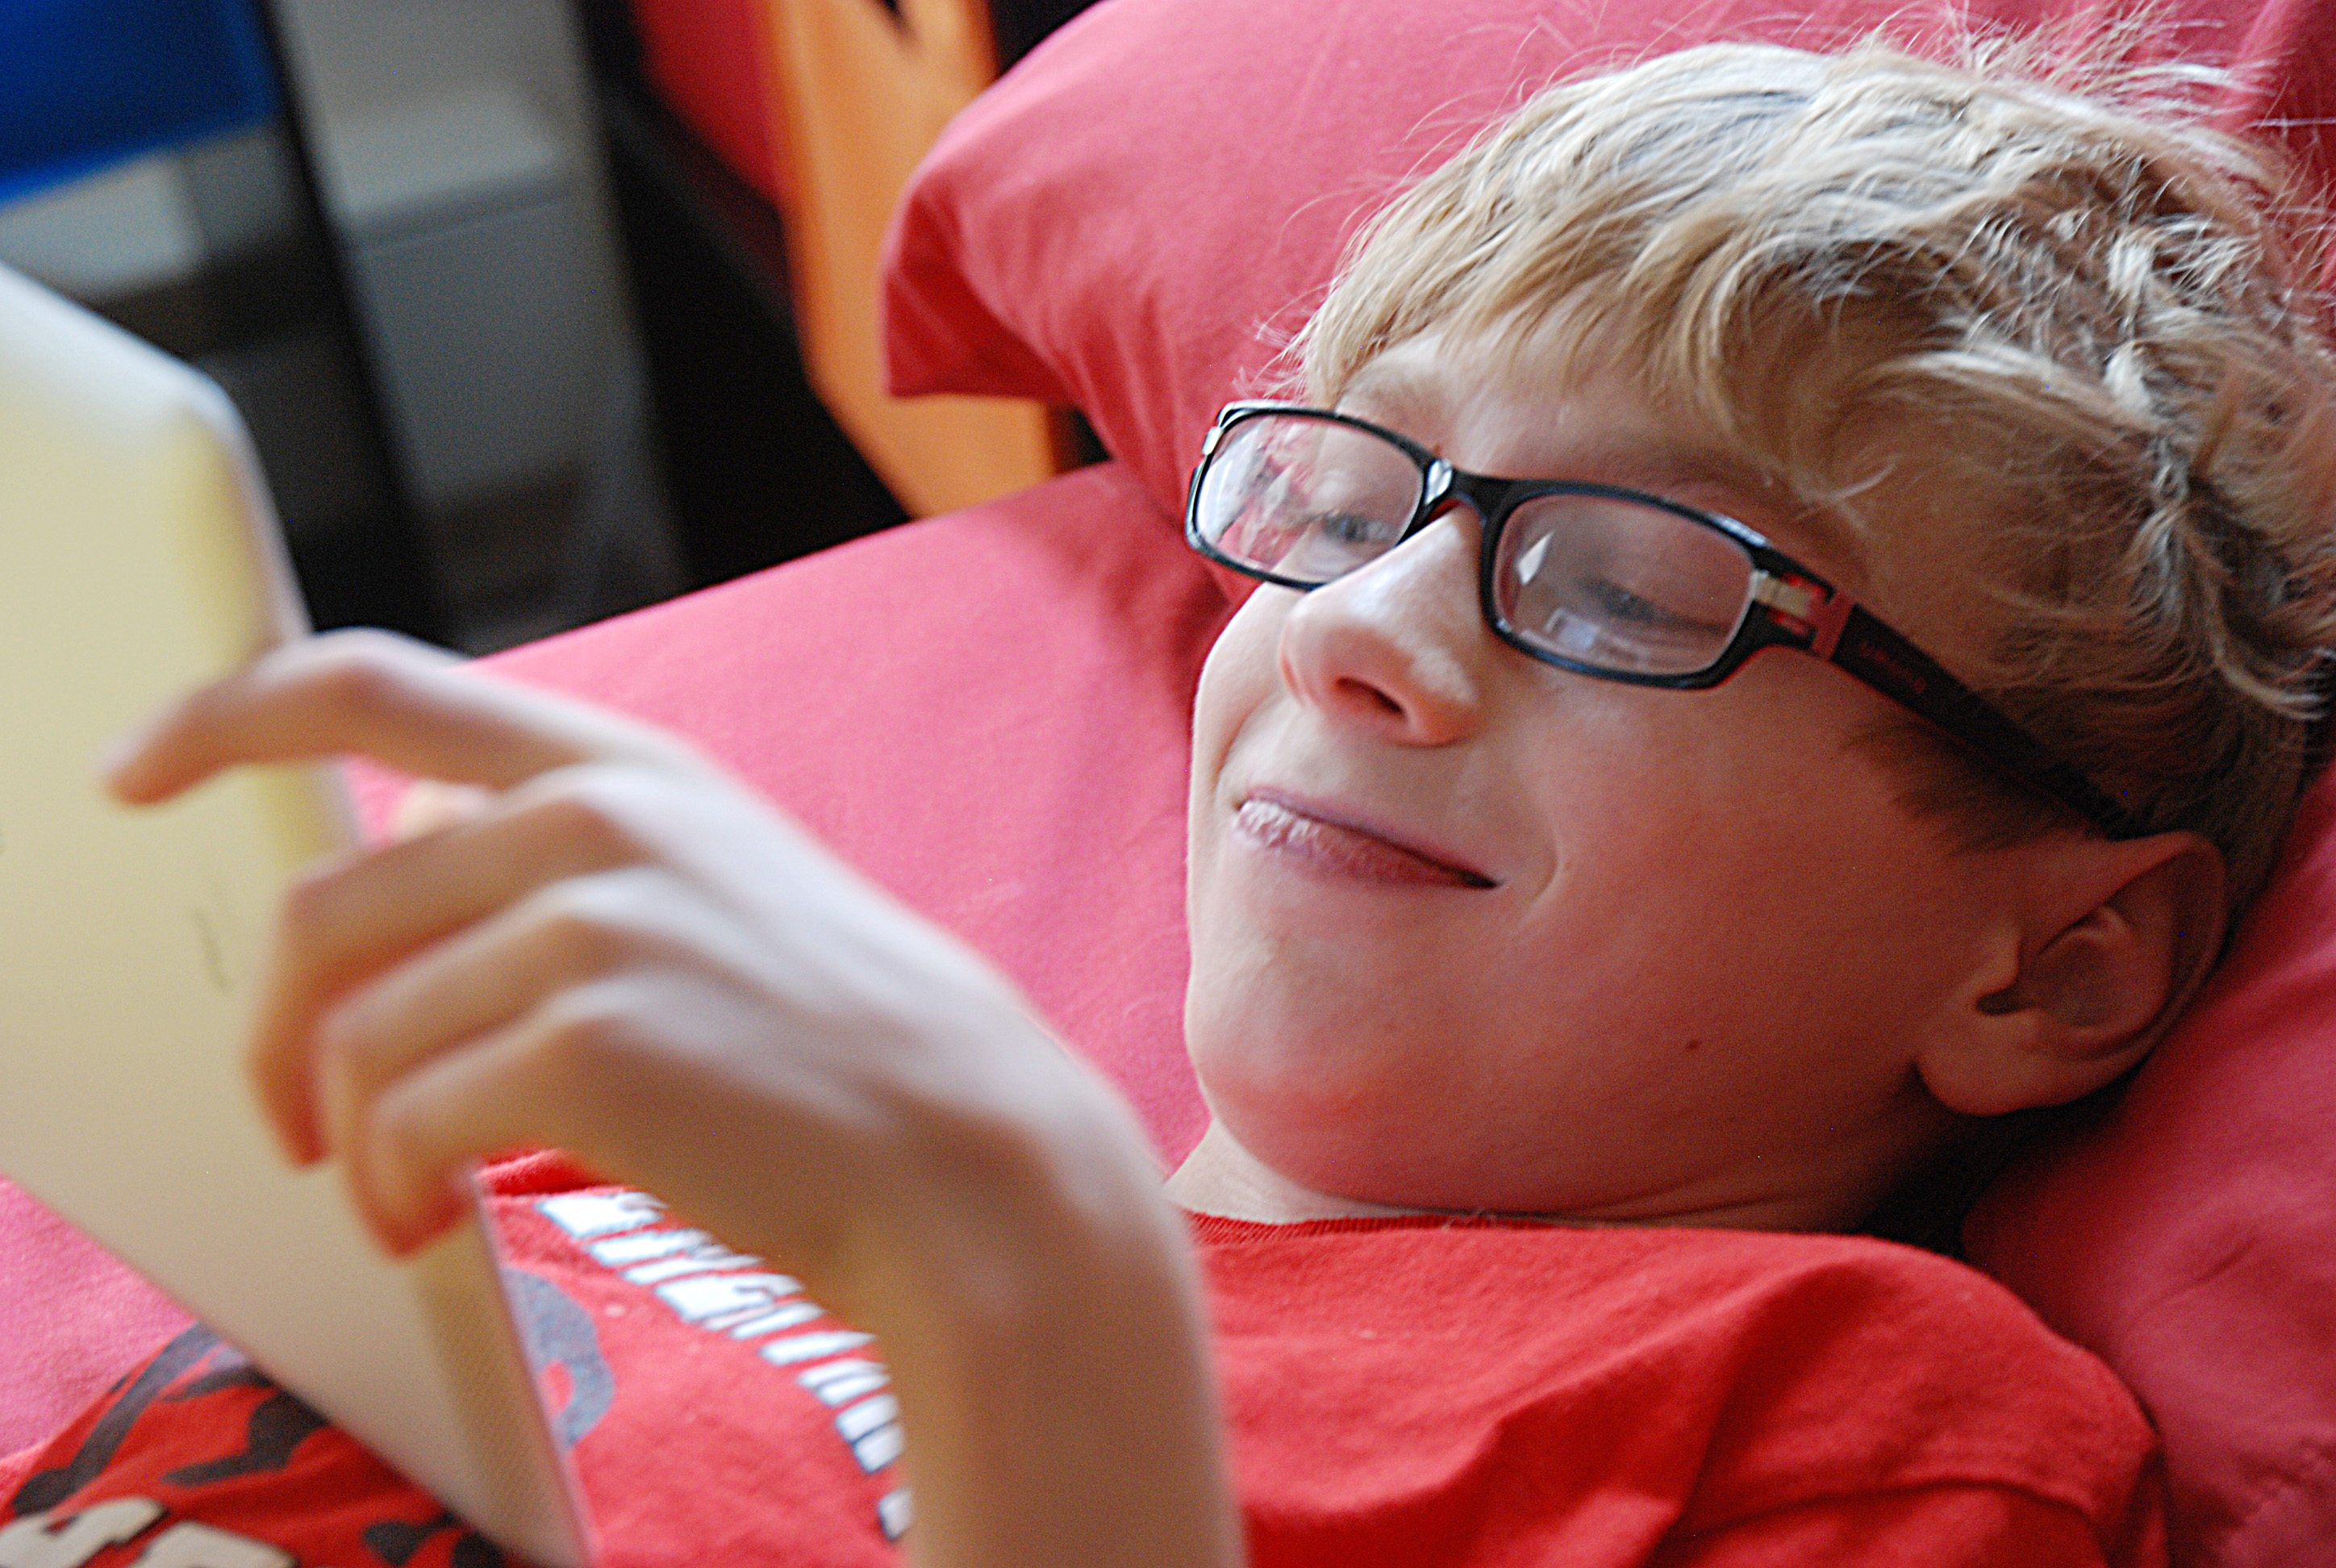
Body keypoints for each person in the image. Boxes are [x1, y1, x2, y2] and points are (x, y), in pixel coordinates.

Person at [13, 31, 2336, 1568]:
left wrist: (1016, 1272)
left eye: (1632, 586)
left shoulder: (1852, 1429)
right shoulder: (677, 1156)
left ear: (2054, 964)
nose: (1354, 630)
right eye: (1344, 504)